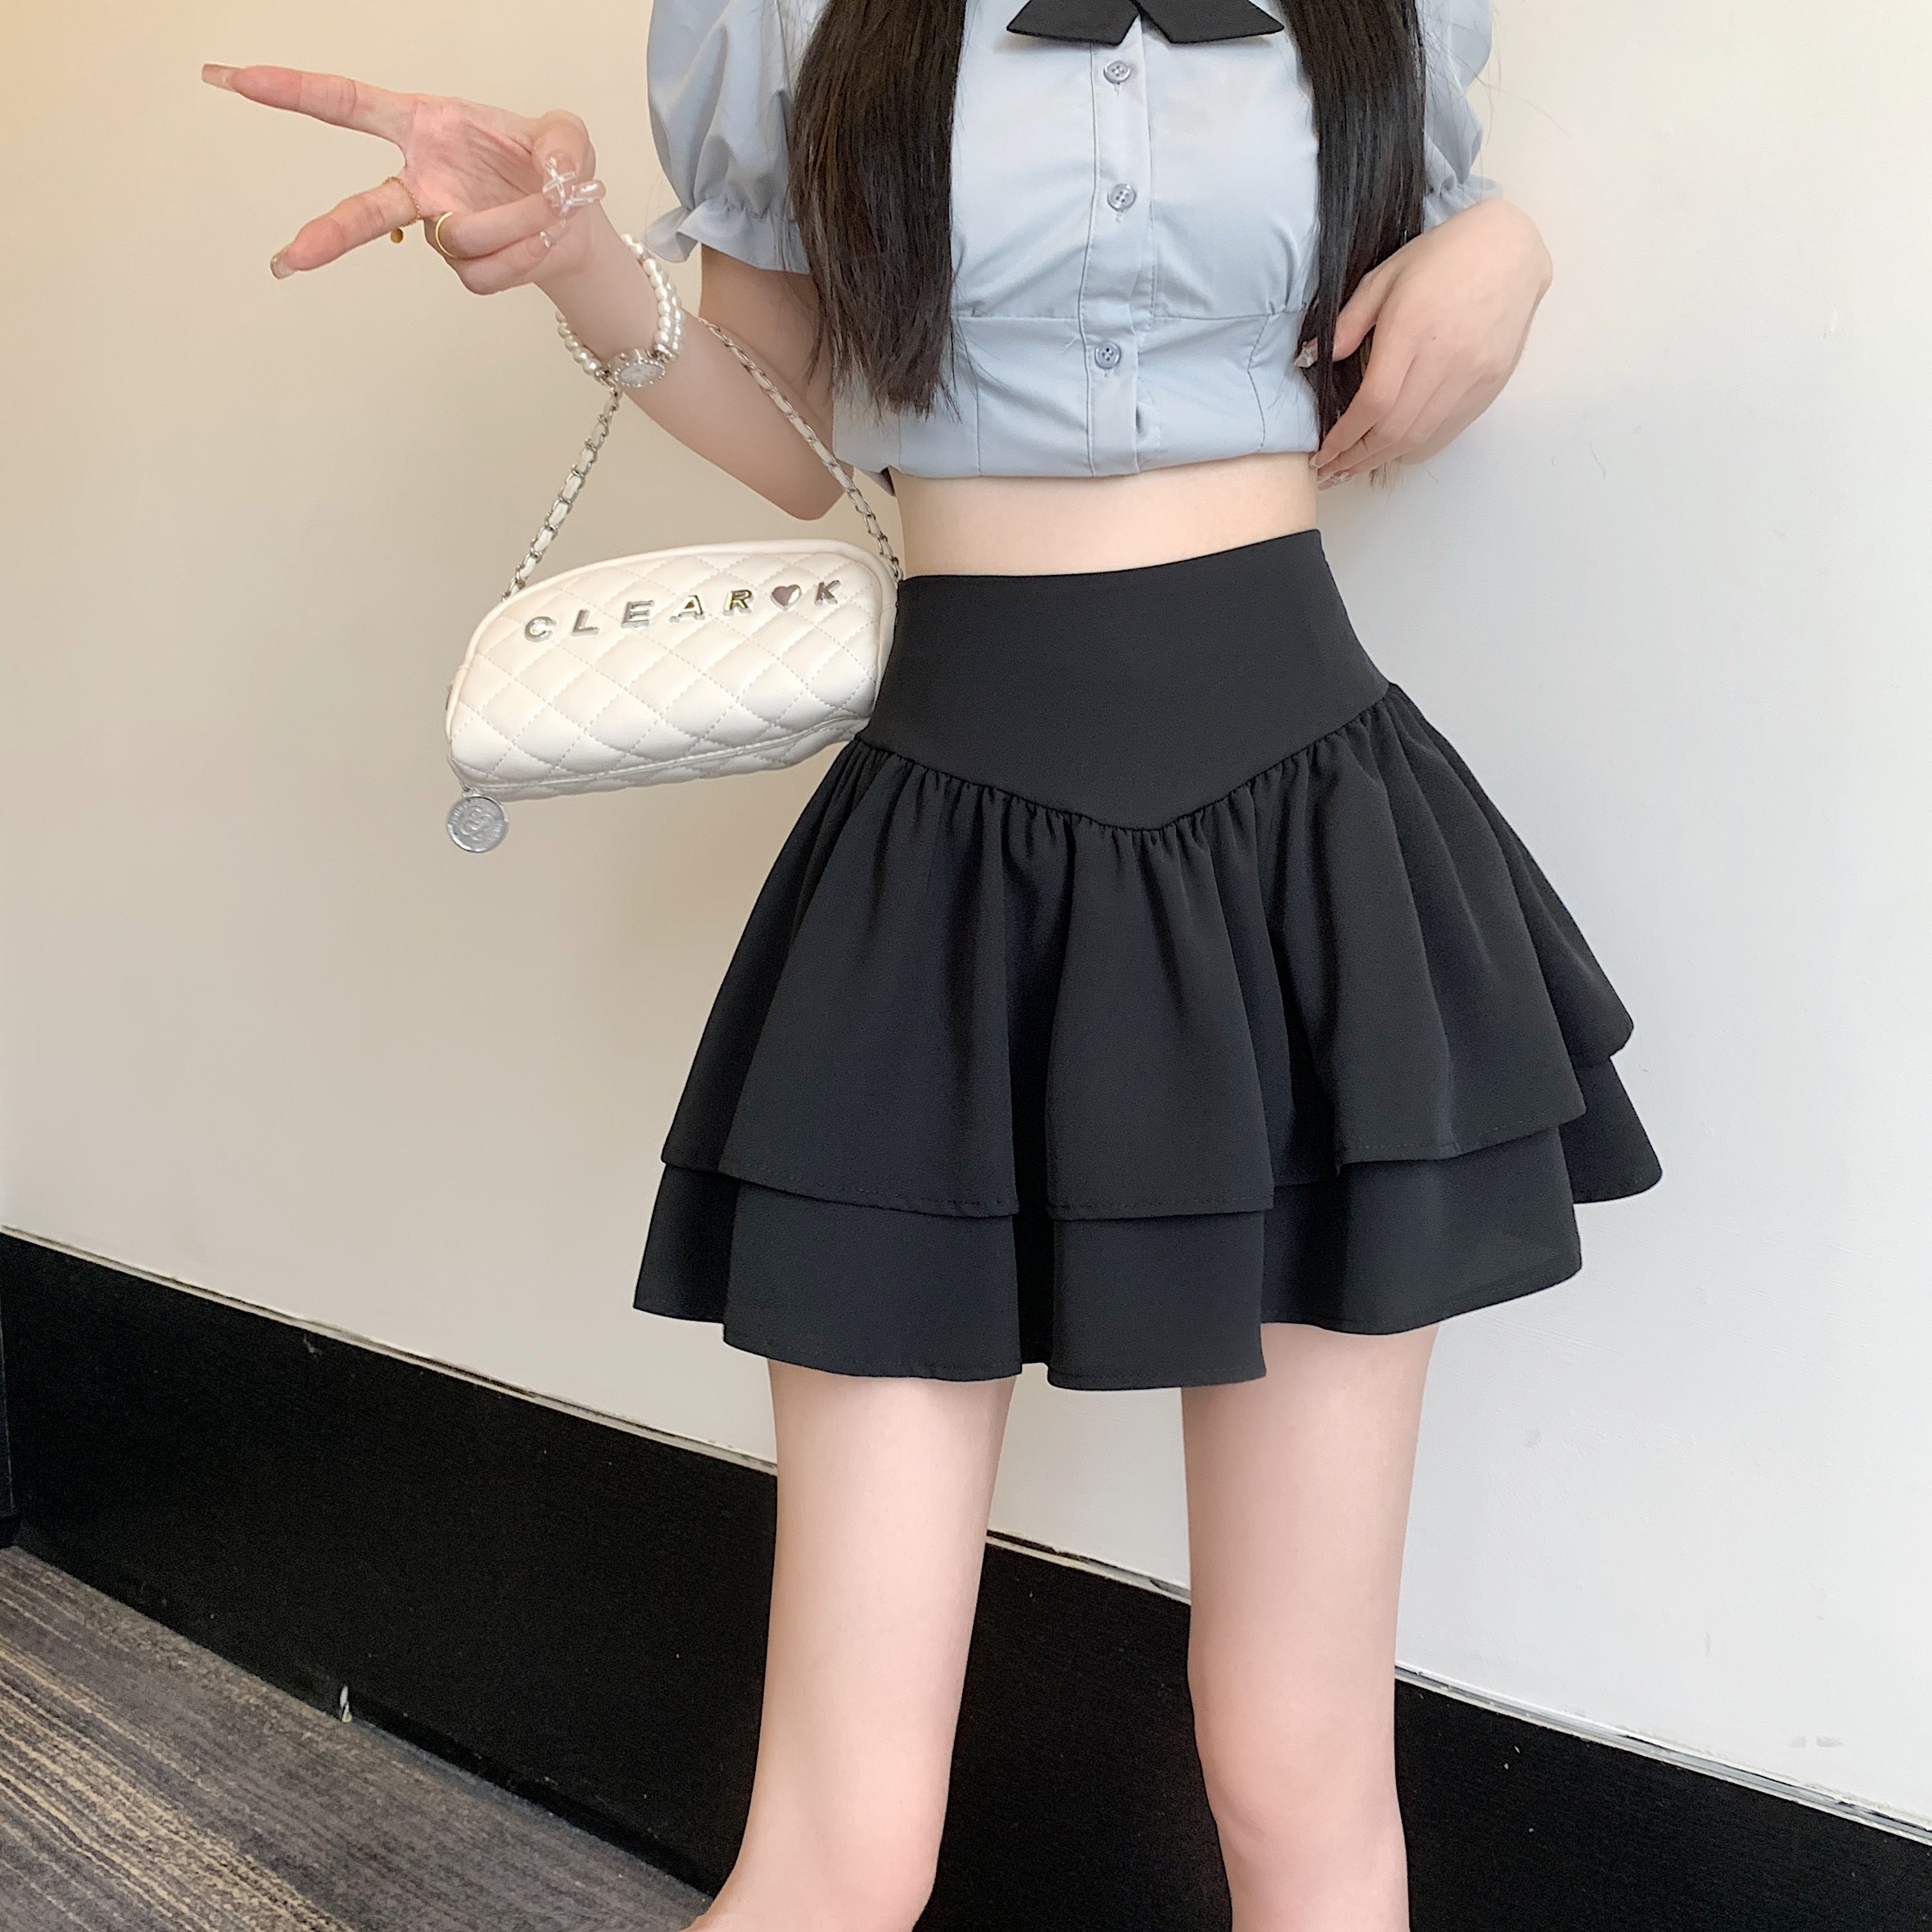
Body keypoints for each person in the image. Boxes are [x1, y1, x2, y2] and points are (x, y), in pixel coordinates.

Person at [207, 1, 1661, 1924]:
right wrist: (570, 252)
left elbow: (1410, 313)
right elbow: (800, 432)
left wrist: (1508, 243)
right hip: (952, 873)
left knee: (1298, 1760)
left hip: (1308, 856)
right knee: (845, 1835)